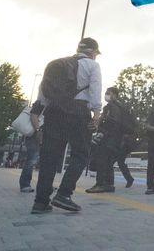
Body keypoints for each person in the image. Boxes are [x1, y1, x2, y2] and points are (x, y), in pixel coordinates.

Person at [30, 38, 102, 214]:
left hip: (54, 112)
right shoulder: (92, 66)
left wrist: (38, 115)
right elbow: (95, 89)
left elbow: (43, 94)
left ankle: (40, 202)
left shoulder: (57, 64)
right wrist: (97, 113)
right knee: (81, 154)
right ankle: (64, 194)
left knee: (49, 157)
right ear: (93, 52)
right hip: (78, 113)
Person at [86, 87, 135, 193]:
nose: (107, 95)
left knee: (101, 159)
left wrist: (103, 119)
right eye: (106, 93)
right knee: (108, 162)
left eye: (109, 93)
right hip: (116, 138)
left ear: (115, 95)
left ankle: (100, 184)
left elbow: (115, 122)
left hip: (110, 137)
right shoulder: (120, 107)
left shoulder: (112, 106)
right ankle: (109, 184)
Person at [19, 108, 42, 193]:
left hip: (43, 137)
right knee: (31, 160)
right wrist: (38, 130)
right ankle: (24, 184)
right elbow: (33, 114)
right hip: (34, 136)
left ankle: (46, 185)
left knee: (45, 162)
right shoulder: (42, 102)